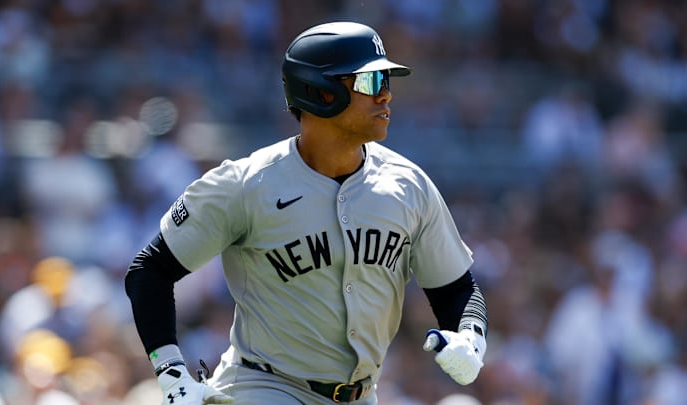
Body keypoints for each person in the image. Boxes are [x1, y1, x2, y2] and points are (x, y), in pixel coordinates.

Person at [124, 21, 488, 405]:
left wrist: (470, 336)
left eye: (386, 81)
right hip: (263, 388)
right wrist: (171, 372)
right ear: (320, 92)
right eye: (370, 82)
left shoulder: (409, 185)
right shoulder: (246, 184)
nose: (385, 96)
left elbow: (456, 288)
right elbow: (150, 271)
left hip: (362, 396)